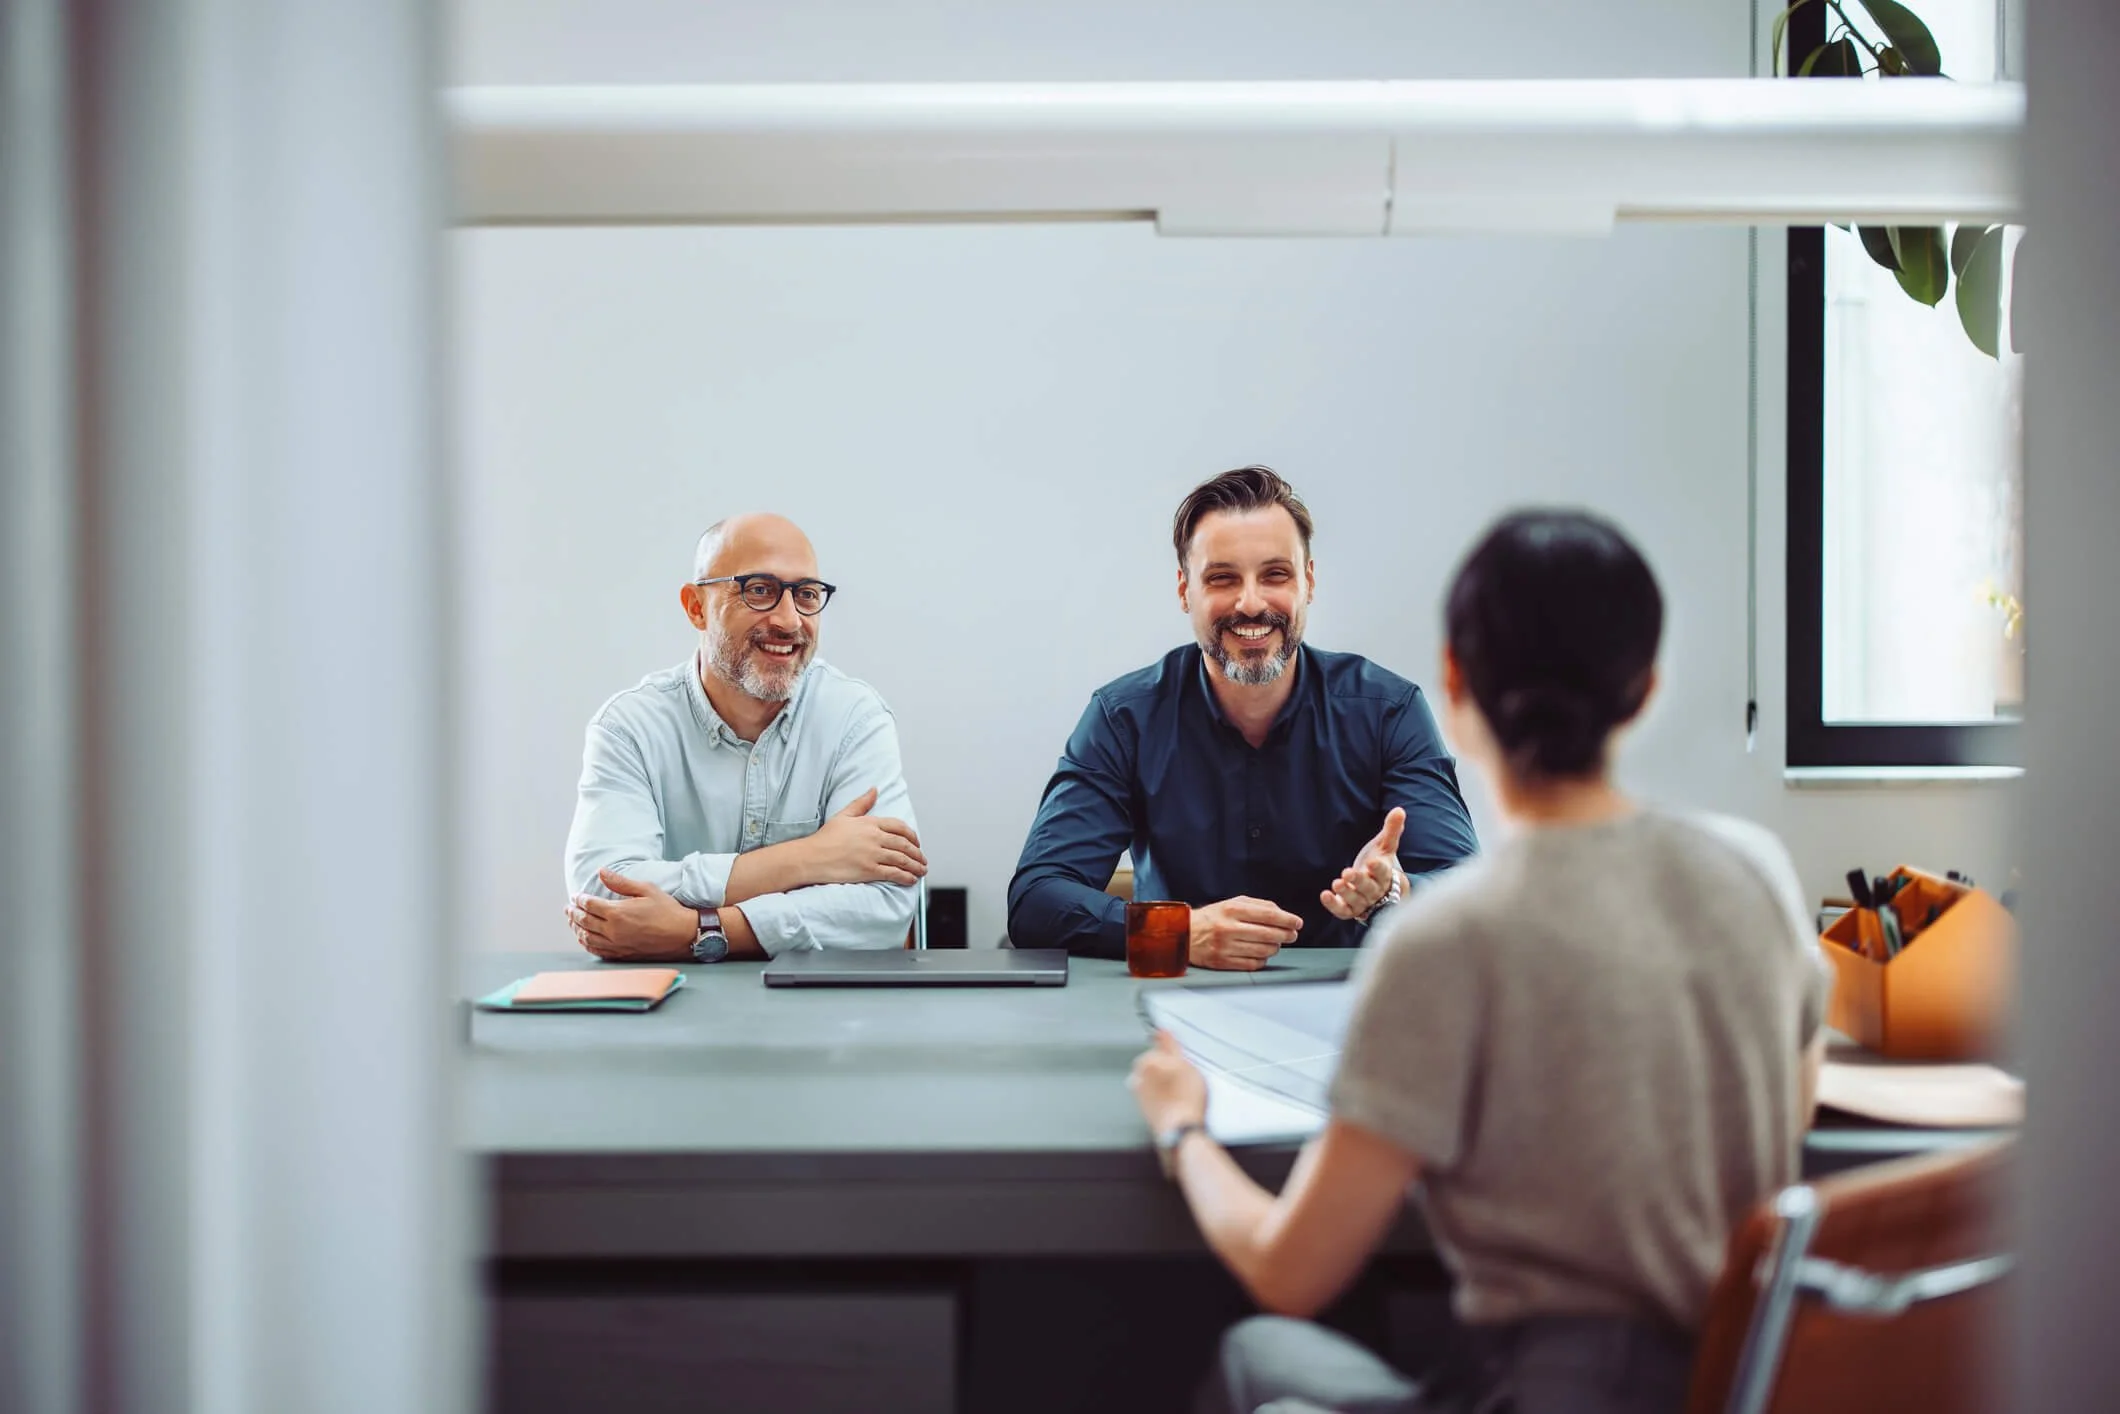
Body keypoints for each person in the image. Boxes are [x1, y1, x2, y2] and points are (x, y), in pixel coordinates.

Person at [1128, 509, 1831, 1414]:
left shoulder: (1448, 939)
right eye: (1223, 578)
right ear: (1646, 688)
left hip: (1540, 1392)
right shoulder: (1756, 872)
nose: (1250, 600)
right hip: (1727, 1382)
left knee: (1259, 1351)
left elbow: (1287, 1273)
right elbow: (1785, 1106)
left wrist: (1182, 1128)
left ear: (1454, 683)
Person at [1008, 466, 1478, 968]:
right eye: (1222, 578)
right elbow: (1036, 899)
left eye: (1275, 574)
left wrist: (1398, 891)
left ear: (1308, 583)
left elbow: (1468, 893)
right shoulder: (1125, 718)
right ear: (1185, 590)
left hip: (1349, 1019)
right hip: (1177, 1014)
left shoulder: (1389, 711)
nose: (1250, 603)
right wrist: (1179, 932)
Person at [562, 513, 925, 961]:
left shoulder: (854, 718)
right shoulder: (629, 727)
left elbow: (885, 911)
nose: (790, 620)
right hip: (668, 1018)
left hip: (824, 1019)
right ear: (696, 607)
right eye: (760, 590)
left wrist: (700, 930)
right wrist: (809, 859)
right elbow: (605, 896)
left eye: (806, 595)